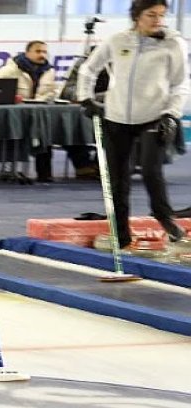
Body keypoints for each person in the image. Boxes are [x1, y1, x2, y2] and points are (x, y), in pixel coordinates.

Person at [78, 0, 189, 248]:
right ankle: (121, 233)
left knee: (151, 171)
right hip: (116, 117)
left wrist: (171, 114)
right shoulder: (118, 40)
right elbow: (88, 69)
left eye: (161, 15)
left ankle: (165, 217)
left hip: (155, 116)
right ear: (137, 16)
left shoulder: (174, 43)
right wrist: (85, 98)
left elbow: (181, 84)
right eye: (151, 15)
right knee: (117, 179)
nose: (157, 20)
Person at [0, 40, 58, 182]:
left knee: (45, 132)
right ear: (27, 52)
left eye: (44, 51)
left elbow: (53, 91)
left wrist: (44, 98)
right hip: (14, 115)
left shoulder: (50, 70)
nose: (42, 55)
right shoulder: (11, 69)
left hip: (38, 112)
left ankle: (44, 174)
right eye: (38, 51)